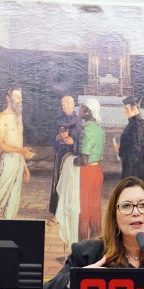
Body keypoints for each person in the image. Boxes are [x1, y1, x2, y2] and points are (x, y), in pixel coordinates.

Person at [0, 87, 35, 220]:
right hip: (7, 161)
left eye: (21, 97)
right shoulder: (2, 117)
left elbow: (19, 144)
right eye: (17, 97)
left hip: (18, 161)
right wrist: (20, 151)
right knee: (0, 196)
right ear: (8, 98)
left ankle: (9, 226)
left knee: (14, 198)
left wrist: (25, 167)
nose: (20, 100)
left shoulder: (19, 117)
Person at [48, 95, 82, 223]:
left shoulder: (78, 120)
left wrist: (73, 142)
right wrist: (59, 137)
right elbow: (52, 138)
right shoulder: (58, 120)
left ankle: (69, 210)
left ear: (73, 105)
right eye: (63, 103)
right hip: (60, 154)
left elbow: (82, 139)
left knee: (70, 183)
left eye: (67, 103)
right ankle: (57, 211)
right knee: (59, 181)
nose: (65, 105)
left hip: (72, 155)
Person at [75, 98, 105, 241]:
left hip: (86, 172)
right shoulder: (100, 129)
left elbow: (84, 160)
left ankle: (82, 244)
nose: (79, 110)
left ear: (88, 112)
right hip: (97, 171)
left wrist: (70, 160)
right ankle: (95, 241)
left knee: (83, 208)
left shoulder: (86, 129)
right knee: (95, 208)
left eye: (81, 107)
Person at [115, 95, 144, 183]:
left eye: (127, 109)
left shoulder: (137, 124)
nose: (125, 111)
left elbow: (136, 148)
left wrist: (129, 172)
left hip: (133, 166)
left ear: (134, 108)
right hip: (133, 162)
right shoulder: (136, 123)